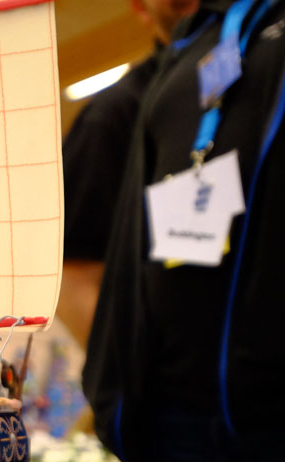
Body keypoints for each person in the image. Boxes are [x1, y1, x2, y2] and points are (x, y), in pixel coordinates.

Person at [83, 0, 285, 462]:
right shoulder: (196, 45)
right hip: (169, 436)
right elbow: (129, 244)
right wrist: (115, 397)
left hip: (272, 424)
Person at [60, 0, 200, 346]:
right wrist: (129, 373)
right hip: (182, 371)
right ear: (140, 8)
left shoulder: (262, 83)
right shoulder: (114, 116)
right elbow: (74, 276)